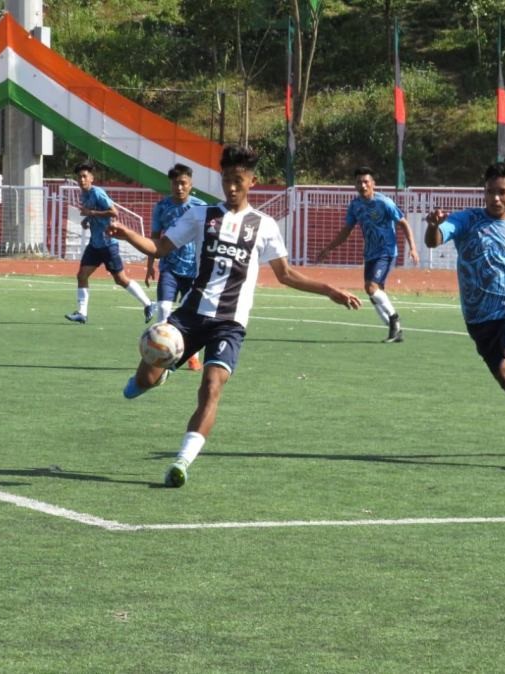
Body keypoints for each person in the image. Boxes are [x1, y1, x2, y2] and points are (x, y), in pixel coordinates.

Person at [109, 144, 362, 487]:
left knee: (211, 387)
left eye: (238, 180)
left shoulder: (265, 225)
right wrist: (128, 234)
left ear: (252, 182)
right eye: (226, 180)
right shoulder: (202, 216)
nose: (231, 187)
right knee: (141, 383)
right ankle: (154, 376)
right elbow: (160, 248)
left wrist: (329, 289)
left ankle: (182, 462)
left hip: (230, 324)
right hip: (191, 317)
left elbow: (286, 274)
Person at [424, 161, 505, 462]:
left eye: (503, 192)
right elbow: (436, 239)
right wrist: (432, 226)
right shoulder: (467, 221)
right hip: (477, 316)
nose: (497, 198)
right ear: (484, 192)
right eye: (491, 192)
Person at [315, 166, 419, 343]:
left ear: (373, 184)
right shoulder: (355, 206)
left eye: (366, 182)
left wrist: (413, 248)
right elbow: (346, 230)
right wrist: (329, 248)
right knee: (373, 292)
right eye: (359, 182)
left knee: (371, 287)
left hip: (386, 251)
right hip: (370, 253)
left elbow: (403, 223)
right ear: (355, 185)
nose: (362, 185)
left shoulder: (384, 203)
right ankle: (395, 332)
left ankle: (394, 318)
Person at [65, 161, 156, 325]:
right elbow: (93, 213)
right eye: (79, 177)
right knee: (82, 275)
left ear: (91, 178)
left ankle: (149, 304)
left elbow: (114, 212)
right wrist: (87, 219)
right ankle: (82, 313)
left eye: (85, 176)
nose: (82, 180)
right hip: (95, 244)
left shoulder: (98, 192)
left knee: (120, 279)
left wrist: (91, 212)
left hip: (108, 244)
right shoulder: (84, 195)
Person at [146, 164, 208, 371]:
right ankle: (161, 354)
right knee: (164, 308)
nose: (179, 187)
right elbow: (154, 240)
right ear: (170, 184)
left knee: (193, 315)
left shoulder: (202, 208)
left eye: (183, 183)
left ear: (191, 185)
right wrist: (149, 265)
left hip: (195, 271)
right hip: (169, 268)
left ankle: (191, 355)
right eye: (175, 183)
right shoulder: (161, 207)